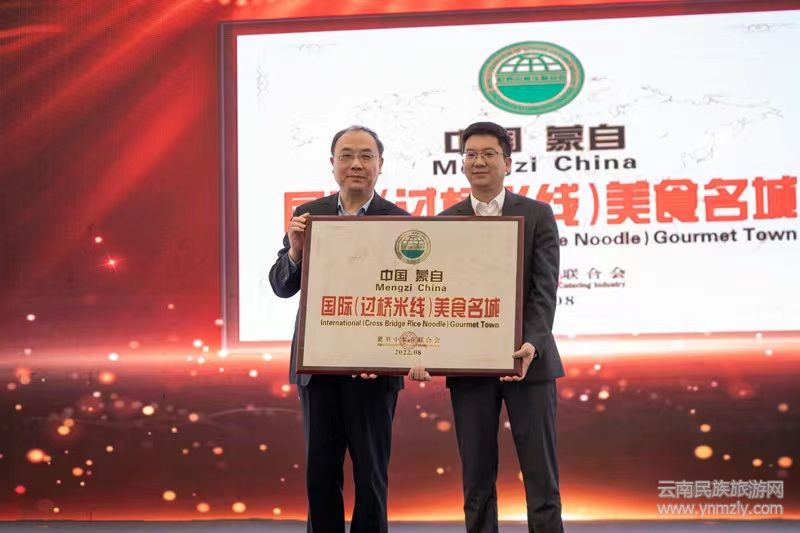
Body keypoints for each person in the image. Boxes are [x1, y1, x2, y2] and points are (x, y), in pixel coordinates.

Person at [409, 121, 565, 532]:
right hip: (470, 368)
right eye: (471, 155)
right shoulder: (445, 222)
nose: (479, 161)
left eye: (489, 154)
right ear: (462, 165)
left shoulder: (537, 214)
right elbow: (437, 295)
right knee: (476, 480)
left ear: (507, 163)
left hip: (528, 364)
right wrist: (424, 348)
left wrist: (532, 343)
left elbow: (544, 289)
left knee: (542, 480)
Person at [269, 125, 408, 533]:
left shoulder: (401, 222)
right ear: (333, 164)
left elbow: (411, 295)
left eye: (366, 156)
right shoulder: (308, 215)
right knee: (321, 475)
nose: (356, 164)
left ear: (380, 165)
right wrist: (296, 251)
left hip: (375, 370)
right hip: (319, 368)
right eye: (347, 155)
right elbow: (281, 285)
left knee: (372, 477)